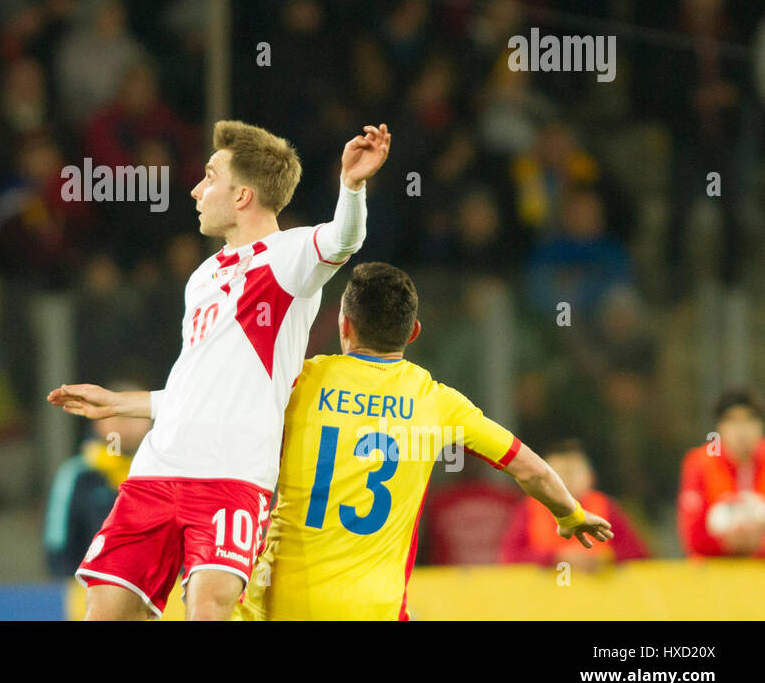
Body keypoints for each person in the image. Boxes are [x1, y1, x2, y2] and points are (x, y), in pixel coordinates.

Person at [47, 121, 390, 620]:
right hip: (158, 470)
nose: (196, 189)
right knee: (106, 609)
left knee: (208, 607)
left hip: (231, 476)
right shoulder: (203, 277)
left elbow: (343, 240)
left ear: (244, 195)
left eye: (210, 177)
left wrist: (352, 187)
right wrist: (122, 402)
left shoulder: (288, 258)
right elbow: (198, 387)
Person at [238, 262, 613, 620]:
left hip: (275, 606)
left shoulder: (301, 380)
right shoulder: (436, 402)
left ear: (345, 325)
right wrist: (570, 514)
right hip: (372, 611)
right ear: (413, 331)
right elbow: (530, 470)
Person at [500, 439, 649, 569]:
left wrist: (605, 558)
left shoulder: (606, 506)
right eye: (557, 474)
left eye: (574, 472)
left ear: (591, 477)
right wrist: (556, 558)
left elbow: (640, 554)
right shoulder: (529, 509)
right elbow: (509, 558)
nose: (567, 481)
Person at [43, 412, 152, 578]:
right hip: (92, 592)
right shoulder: (77, 475)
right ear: (98, 422)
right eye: (116, 415)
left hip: (166, 595)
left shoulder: (166, 474)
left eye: (136, 415)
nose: (126, 424)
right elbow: (58, 546)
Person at [678, 390, 765, 559]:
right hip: (715, 576)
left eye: (749, 420)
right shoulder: (700, 463)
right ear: (719, 427)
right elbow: (692, 538)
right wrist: (730, 544)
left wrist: (758, 545)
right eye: (732, 421)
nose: (741, 430)